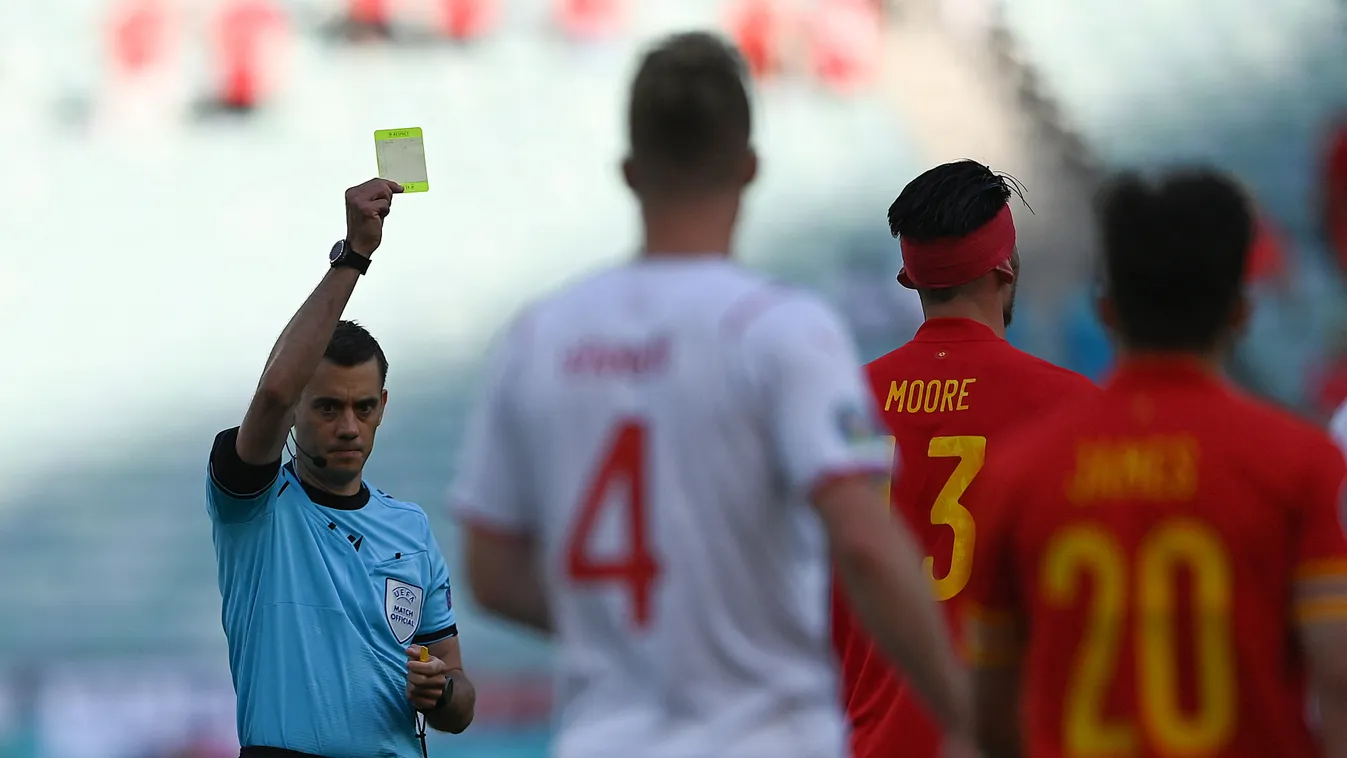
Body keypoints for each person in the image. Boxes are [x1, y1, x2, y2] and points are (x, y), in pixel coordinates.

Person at [447, 31, 975, 758]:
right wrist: (964, 715)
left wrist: (630, 624)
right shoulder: (785, 332)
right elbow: (864, 539)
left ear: (629, 172)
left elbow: (490, 569)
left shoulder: (539, 338)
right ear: (750, 166)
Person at [964, 169, 1347, 757]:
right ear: (1240, 312)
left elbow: (988, 710)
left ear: (1107, 311)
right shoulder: (1302, 463)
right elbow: (1337, 679)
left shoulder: (1018, 473)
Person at [830, 159, 1098, 758]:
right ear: (1007, 265)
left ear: (910, 278)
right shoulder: (1074, 408)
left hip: (871, 741)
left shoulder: (847, 407)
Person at [205, 178, 476, 758]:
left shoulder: (410, 529)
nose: (349, 426)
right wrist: (354, 256)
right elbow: (276, 388)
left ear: (383, 408)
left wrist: (442, 691)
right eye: (328, 406)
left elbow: (460, 698)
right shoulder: (255, 507)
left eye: (364, 407)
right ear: (298, 412)